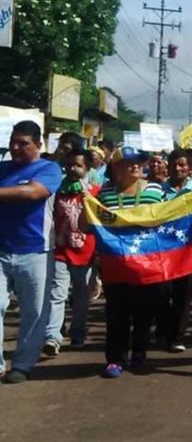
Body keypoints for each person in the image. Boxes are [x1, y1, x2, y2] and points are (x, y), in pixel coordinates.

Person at [94, 146, 168, 379]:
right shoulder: (104, 193)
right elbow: (91, 223)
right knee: (117, 313)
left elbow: (169, 217)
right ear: (115, 168)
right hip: (115, 264)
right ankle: (115, 359)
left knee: (144, 311)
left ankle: (139, 351)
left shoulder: (155, 189)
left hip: (146, 263)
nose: (135, 166)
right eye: (128, 163)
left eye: (138, 162)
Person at [0, 121, 63, 384]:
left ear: (38, 144)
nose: (16, 148)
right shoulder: (2, 168)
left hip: (36, 252)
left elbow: (33, 192)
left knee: (33, 313)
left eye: (23, 143)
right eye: (13, 142)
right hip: (2, 250)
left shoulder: (49, 169)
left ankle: (23, 365)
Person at [44, 149, 97, 356]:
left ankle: (78, 333)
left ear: (88, 169)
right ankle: (53, 336)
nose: (73, 169)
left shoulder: (95, 191)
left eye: (78, 166)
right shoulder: (57, 189)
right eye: (70, 166)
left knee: (81, 297)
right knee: (57, 294)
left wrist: (87, 195)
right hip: (61, 250)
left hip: (86, 253)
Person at [159, 149, 192, 353]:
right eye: (174, 164)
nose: (177, 168)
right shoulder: (158, 191)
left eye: (182, 165)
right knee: (163, 293)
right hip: (163, 251)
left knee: (184, 294)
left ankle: (177, 336)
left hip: (188, 251)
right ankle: (164, 329)